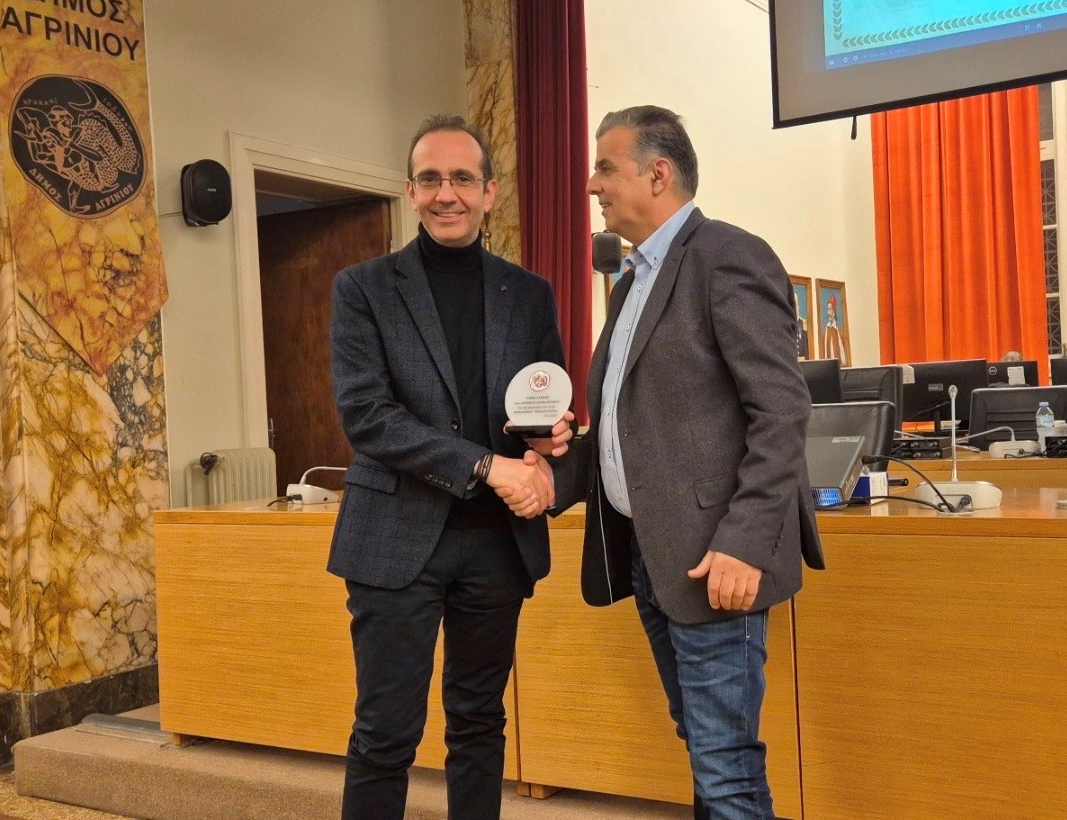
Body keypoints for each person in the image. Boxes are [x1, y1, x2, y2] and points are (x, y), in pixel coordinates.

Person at [533, 105, 825, 820]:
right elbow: (632, 427)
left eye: (605, 168)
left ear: (657, 174)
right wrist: (553, 473)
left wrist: (744, 542)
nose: (592, 185)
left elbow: (781, 412)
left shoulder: (728, 256)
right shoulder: (632, 280)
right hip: (652, 554)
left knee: (724, 768)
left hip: (717, 559)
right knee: (706, 746)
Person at [328, 114, 571, 820]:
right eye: (430, 179)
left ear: (489, 192)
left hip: (496, 544)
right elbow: (368, 417)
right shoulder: (363, 288)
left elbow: (542, 401)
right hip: (394, 538)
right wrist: (489, 466)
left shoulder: (529, 293)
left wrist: (551, 443)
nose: (446, 194)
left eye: (462, 178)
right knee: (386, 732)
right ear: (411, 191)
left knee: (479, 722)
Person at [822, 293, 849, 366]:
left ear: (834, 312)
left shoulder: (839, 330)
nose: (828, 313)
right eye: (827, 310)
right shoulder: (826, 329)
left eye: (830, 309)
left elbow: (842, 352)